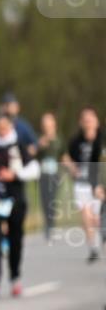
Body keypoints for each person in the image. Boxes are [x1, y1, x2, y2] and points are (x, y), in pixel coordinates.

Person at [0, 113, 40, 297]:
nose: (2, 131)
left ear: (11, 127)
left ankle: (15, 277)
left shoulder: (18, 145)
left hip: (15, 198)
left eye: (5, 127)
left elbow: (34, 169)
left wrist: (15, 175)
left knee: (15, 238)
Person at [61, 108, 103, 263]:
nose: (88, 123)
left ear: (96, 122)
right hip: (81, 183)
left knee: (96, 218)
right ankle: (93, 248)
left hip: (98, 183)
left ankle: (98, 240)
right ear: (81, 123)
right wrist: (71, 167)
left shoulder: (101, 139)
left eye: (91, 120)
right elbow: (67, 158)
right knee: (86, 215)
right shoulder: (76, 141)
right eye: (85, 121)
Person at [36, 112, 63, 241]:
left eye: (49, 122)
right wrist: (39, 145)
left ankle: (52, 225)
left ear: (54, 123)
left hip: (55, 174)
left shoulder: (59, 140)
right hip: (43, 175)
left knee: (52, 199)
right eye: (44, 123)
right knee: (44, 200)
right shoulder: (40, 139)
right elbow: (33, 154)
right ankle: (47, 224)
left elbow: (63, 155)